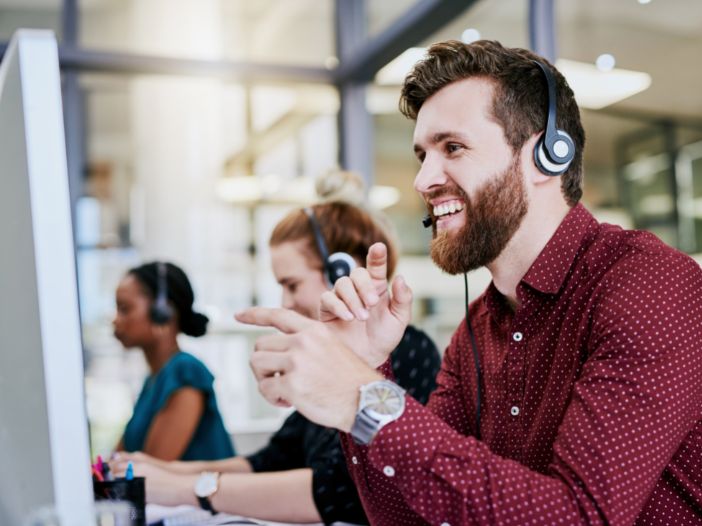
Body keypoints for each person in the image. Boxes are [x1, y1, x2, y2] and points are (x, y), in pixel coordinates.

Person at [236, 39, 702, 525]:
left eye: (452, 147)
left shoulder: (650, 285)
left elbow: (578, 517)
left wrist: (365, 398)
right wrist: (369, 369)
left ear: (547, 154)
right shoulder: (477, 329)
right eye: (422, 155)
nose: (422, 180)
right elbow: (406, 519)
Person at [112, 197, 441, 524]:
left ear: (342, 272)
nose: (286, 302)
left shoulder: (406, 351)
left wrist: (187, 488)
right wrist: (158, 471)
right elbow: (271, 460)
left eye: (292, 285)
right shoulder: (331, 361)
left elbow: (337, 492)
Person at [114, 261, 235, 461]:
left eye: (124, 309)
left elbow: (151, 469)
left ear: (163, 312)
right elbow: (116, 462)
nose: (116, 320)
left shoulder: (185, 371)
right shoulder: (153, 380)